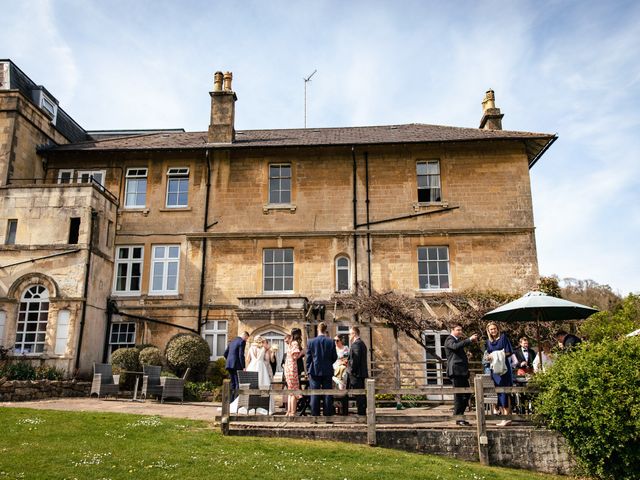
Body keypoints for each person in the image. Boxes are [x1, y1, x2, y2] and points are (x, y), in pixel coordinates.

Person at [444, 324, 478, 426]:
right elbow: (454, 347)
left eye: (461, 330)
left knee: (467, 394)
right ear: (452, 330)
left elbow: (457, 350)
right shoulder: (449, 339)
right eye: (458, 330)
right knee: (459, 395)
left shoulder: (457, 340)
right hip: (456, 371)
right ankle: (459, 418)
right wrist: (469, 339)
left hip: (461, 372)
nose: (460, 332)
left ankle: (459, 416)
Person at [485, 322, 514, 426]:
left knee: (505, 392)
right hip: (495, 370)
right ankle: (503, 417)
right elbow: (488, 353)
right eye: (491, 329)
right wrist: (489, 357)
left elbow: (509, 352)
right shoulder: (488, 342)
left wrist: (497, 354)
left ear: (498, 329)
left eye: (494, 329)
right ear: (488, 331)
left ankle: (507, 417)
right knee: (499, 393)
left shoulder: (503, 338)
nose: (493, 331)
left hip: (504, 369)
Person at [306, 322, 338, 416]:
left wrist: (308, 370)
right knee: (328, 393)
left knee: (314, 393)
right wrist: (328, 363)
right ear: (325, 330)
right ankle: (328, 416)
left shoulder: (311, 342)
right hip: (327, 370)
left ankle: (315, 416)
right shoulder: (331, 341)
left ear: (318, 329)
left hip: (314, 371)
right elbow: (334, 357)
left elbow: (308, 359)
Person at [347, 325, 368, 416]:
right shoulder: (362, 343)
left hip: (357, 374)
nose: (348, 336)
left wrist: (350, 370)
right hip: (360, 373)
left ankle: (361, 414)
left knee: (359, 395)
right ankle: (362, 412)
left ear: (354, 334)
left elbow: (355, 360)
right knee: (361, 395)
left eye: (350, 334)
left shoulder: (356, 344)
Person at [284, 329, 304, 416]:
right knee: (294, 391)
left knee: (290, 391)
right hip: (292, 368)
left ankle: (289, 411)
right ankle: (293, 412)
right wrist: (302, 352)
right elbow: (295, 356)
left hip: (287, 368)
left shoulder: (290, 343)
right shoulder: (295, 343)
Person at [224, 331, 249, 400]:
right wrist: (243, 366)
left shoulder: (232, 341)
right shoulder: (242, 341)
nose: (246, 340)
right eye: (246, 338)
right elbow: (241, 355)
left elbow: (225, 353)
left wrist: (230, 360)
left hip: (229, 364)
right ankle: (236, 401)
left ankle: (231, 401)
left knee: (232, 383)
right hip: (237, 365)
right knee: (238, 383)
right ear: (245, 336)